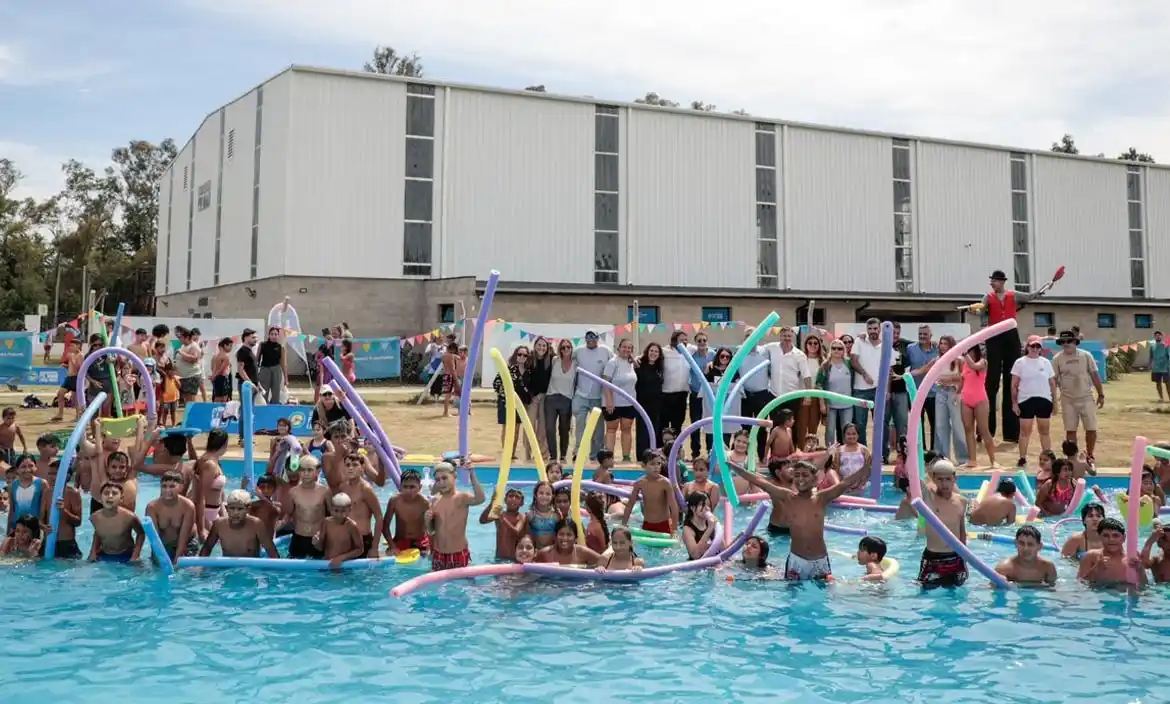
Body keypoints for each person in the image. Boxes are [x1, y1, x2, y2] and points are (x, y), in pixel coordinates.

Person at [729, 458, 869, 580]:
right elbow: (759, 481)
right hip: (797, 560)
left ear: (815, 479)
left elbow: (845, 483)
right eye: (796, 475)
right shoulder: (788, 497)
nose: (800, 479)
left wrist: (866, 467)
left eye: (805, 475)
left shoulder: (821, 498)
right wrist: (735, 467)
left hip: (819, 560)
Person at [967, 269, 1050, 445]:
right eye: (991, 282)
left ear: (1001, 282)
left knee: (1011, 383)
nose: (991, 284)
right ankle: (985, 430)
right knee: (991, 383)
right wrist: (974, 310)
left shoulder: (1014, 295)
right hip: (994, 336)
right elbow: (980, 311)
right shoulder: (987, 297)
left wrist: (1043, 289)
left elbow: (1031, 296)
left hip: (1011, 335)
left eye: (994, 281)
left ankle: (1011, 433)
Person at [1052, 330, 1105, 468]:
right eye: (1062, 342)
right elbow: (1053, 379)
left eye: (1068, 341)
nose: (1065, 344)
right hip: (1067, 399)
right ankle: (1072, 458)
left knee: (1091, 429)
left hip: (1086, 397)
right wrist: (1054, 398)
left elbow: (1094, 375)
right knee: (1070, 430)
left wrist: (1101, 394)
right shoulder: (1057, 358)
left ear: (1075, 342)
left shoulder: (1086, 355)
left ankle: (1090, 455)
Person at [425, 461, 485, 571]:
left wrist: (472, 474)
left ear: (454, 476)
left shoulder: (461, 498)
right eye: (438, 480)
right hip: (438, 554)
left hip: (458, 553)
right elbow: (431, 531)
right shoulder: (435, 501)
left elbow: (480, 499)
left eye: (444, 478)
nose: (441, 482)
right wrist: (427, 522)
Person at [918, 460, 968, 589]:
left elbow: (962, 531)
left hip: (956, 557)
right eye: (940, 479)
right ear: (933, 478)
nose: (944, 483)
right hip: (933, 557)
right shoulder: (928, 498)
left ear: (954, 479)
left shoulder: (962, 501)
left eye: (948, 479)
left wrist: (965, 560)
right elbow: (914, 478)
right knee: (925, 593)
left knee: (955, 595)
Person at [1011, 335, 1056, 467]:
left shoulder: (1046, 362)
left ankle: (1047, 458)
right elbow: (1014, 384)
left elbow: (1052, 383)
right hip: (1026, 399)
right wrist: (1014, 403)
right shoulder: (1020, 362)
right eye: (1033, 346)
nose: (1035, 349)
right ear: (1027, 347)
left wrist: (1055, 402)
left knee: (1044, 431)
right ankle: (1022, 457)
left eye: (1038, 346)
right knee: (1025, 431)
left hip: (1044, 399)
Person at [200, 490, 279, 559]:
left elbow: (272, 552)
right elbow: (207, 548)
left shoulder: (256, 525)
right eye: (232, 508)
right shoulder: (219, 525)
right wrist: (199, 568)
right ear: (226, 509)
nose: (235, 513)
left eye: (240, 509)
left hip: (251, 571)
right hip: (227, 571)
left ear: (248, 509)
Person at [572, 331, 613, 462]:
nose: (590, 341)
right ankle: (578, 452)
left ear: (597, 339)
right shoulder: (578, 351)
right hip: (581, 394)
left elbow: (616, 362)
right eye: (588, 339)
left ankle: (595, 455)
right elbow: (565, 358)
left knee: (598, 429)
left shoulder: (605, 351)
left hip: (598, 396)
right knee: (580, 425)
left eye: (593, 339)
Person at [334, 452, 383, 558]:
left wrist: (374, 547)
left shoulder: (365, 489)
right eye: (347, 465)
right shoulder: (342, 487)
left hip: (363, 539)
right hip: (346, 539)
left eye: (355, 465)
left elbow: (379, 517)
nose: (350, 468)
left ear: (362, 468)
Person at [620, 450, 680, 536]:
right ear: (643, 466)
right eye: (652, 464)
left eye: (658, 463)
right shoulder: (640, 483)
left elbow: (674, 507)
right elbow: (630, 505)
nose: (656, 467)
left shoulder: (665, 483)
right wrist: (623, 524)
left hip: (664, 524)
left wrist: (674, 529)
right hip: (647, 524)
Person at [282, 455, 331, 559]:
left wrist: (324, 534)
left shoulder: (325, 491)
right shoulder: (293, 492)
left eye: (310, 470)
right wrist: (279, 524)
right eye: (303, 470)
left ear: (317, 471)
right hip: (299, 537)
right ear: (299, 471)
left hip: (318, 538)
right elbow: (288, 514)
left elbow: (332, 516)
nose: (306, 473)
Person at [145, 470, 197, 565]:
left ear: (181, 487)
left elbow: (184, 537)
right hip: (164, 545)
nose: (167, 490)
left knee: (187, 572)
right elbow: (154, 538)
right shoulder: (152, 507)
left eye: (172, 486)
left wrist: (177, 559)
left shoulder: (188, 506)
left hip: (187, 544)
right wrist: (159, 557)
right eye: (164, 486)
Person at [1077, 517, 1147, 586]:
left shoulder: (1133, 556)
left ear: (1124, 537)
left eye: (1115, 535)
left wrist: (1140, 569)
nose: (1111, 539)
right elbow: (1080, 583)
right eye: (1106, 535)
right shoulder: (1092, 556)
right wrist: (1097, 568)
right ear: (1099, 537)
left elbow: (1144, 585)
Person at [88, 481, 144, 563]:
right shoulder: (94, 517)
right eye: (106, 493)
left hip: (126, 554)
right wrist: (93, 552)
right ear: (100, 498)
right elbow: (98, 533)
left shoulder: (129, 517)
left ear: (121, 498)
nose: (110, 496)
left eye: (114, 493)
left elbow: (141, 534)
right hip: (104, 553)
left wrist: (135, 555)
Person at [384, 469, 432, 555]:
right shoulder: (394, 501)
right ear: (400, 487)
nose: (408, 491)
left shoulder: (424, 503)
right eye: (405, 487)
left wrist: (432, 546)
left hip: (420, 541)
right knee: (389, 557)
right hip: (400, 540)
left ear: (420, 487)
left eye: (412, 487)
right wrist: (392, 545)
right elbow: (385, 525)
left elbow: (431, 527)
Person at [314, 493, 366, 569]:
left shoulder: (351, 526)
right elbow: (320, 548)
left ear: (349, 510)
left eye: (343, 511)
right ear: (331, 509)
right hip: (327, 563)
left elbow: (360, 549)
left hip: (343, 565)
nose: (339, 514)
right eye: (336, 511)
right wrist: (316, 543)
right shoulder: (326, 523)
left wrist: (341, 558)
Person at [5, 454, 49, 536]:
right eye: (23, 467)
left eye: (31, 466)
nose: (27, 469)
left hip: (36, 528)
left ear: (36, 467)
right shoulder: (12, 486)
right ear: (17, 469)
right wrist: (8, 531)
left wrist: (42, 527)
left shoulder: (42, 483)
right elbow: (12, 510)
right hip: (17, 528)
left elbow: (45, 508)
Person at [479, 487, 527, 560]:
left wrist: (503, 519)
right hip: (499, 558)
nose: (513, 499)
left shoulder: (521, 517)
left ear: (521, 503)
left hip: (514, 559)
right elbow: (482, 520)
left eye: (517, 497)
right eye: (511, 496)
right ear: (505, 500)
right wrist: (492, 503)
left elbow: (516, 531)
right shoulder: (499, 515)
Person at [535, 520, 602, 566]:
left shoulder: (582, 552)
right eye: (561, 534)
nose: (565, 538)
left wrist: (600, 567)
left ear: (576, 538)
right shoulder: (544, 553)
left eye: (569, 535)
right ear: (555, 536)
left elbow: (604, 561)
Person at [257, 326, 287, 404]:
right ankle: (264, 407)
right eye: (272, 334)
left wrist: (286, 378)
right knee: (264, 391)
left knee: (276, 391)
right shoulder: (262, 345)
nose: (274, 336)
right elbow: (257, 360)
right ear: (269, 335)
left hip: (276, 369)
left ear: (278, 336)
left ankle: (274, 407)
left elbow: (283, 363)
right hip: (265, 369)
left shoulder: (281, 347)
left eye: (276, 334)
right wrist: (254, 374)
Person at [211, 338, 234, 402]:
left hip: (217, 378)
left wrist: (213, 376)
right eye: (230, 346)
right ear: (225, 346)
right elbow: (221, 370)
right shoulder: (225, 357)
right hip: (222, 378)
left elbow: (212, 368)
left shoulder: (215, 356)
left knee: (217, 396)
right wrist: (214, 376)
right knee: (223, 398)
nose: (231, 348)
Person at [1152, 331, 1169, 402]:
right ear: (1154, 337)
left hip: (1165, 367)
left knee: (1168, 383)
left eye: (1159, 335)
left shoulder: (1166, 345)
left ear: (1161, 336)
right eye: (1156, 335)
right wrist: (1149, 364)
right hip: (1156, 368)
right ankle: (1161, 398)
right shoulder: (1152, 346)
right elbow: (1151, 356)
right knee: (1157, 383)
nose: (1158, 337)